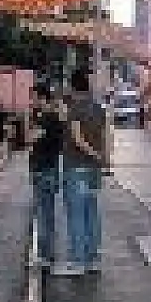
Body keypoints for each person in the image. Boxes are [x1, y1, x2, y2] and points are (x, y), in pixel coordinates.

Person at [57, 68, 107, 276]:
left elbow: (77, 139)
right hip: (94, 169)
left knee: (76, 214)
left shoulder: (74, 109)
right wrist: (104, 158)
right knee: (92, 212)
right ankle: (93, 259)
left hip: (76, 166)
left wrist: (94, 154)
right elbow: (105, 136)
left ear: (72, 86)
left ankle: (78, 261)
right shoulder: (98, 108)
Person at [26, 82, 66, 268]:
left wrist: (29, 120)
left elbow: (29, 138)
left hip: (45, 170)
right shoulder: (52, 116)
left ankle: (46, 254)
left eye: (33, 97)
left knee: (44, 214)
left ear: (42, 98)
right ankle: (47, 253)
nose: (31, 101)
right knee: (46, 212)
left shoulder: (47, 118)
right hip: (47, 168)